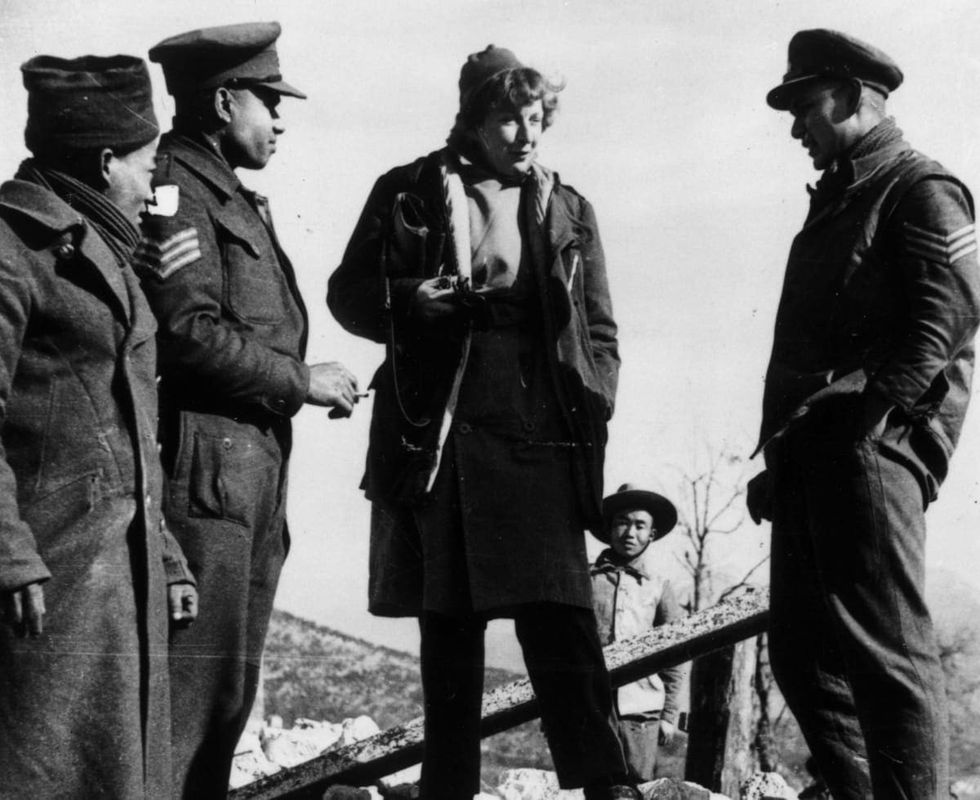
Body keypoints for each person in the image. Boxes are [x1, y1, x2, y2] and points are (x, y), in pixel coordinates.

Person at [329, 45, 635, 800]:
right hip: (445, 423)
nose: (525, 135)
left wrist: (593, 404)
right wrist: (407, 298)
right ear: (472, 118)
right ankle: (449, 791)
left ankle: (609, 785)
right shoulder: (407, 190)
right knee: (452, 626)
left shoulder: (568, 206)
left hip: (539, 424)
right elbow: (347, 294)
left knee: (561, 619)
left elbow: (599, 332)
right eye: (508, 118)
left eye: (536, 118)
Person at [748, 29, 980, 799]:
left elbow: (950, 314)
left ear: (850, 96)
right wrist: (782, 455)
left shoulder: (920, 187)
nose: (795, 127)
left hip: (872, 450)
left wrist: (877, 426)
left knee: (888, 656)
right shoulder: (842, 195)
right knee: (801, 656)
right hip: (816, 452)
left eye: (804, 106)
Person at [137, 22, 359, 798]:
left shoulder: (223, 191)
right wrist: (302, 380)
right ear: (224, 99)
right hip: (204, 478)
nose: (281, 118)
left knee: (224, 702)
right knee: (190, 707)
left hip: (245, 477)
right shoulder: (175, 187)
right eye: (269, 100)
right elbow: (185, 333)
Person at [0, 54, 198, 799]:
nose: (155, 187)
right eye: (149, 166)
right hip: (51, 574)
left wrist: (169, 556)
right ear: (107, 160)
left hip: (118, 579)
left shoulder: (104, 253)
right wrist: (10, 557)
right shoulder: (13, 249)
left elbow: (132, 430)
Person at [590, 483, 687, 782]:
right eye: (622, 522)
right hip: (592, 706)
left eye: (639, 525)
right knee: (596, 786)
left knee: (639, 787)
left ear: (651, 534)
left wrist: (669, 715)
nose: (630, 533)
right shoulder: (585, 580)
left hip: (642, 713)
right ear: (609, 527)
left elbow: (676, 654)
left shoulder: (659, 586)